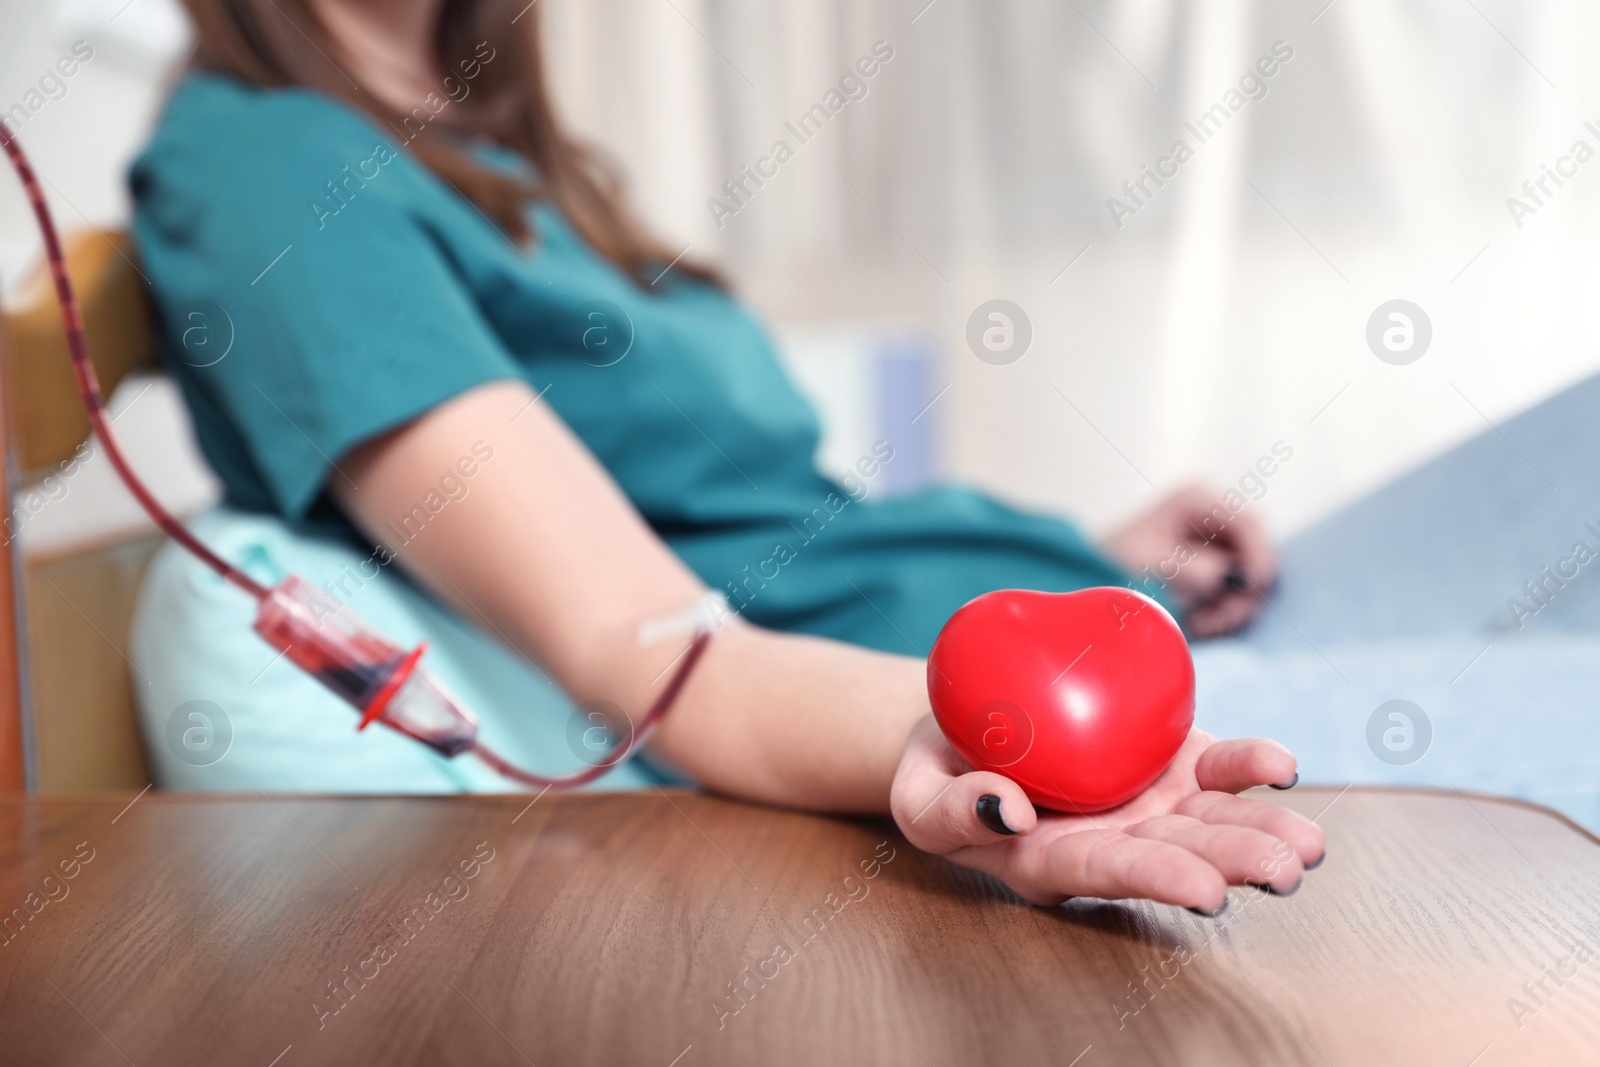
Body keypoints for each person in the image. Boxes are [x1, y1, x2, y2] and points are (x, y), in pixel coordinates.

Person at [130, 0, 1338, 916]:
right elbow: (646, 645)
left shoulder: (490, 150)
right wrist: (933, 737)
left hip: (1047, 613)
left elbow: (764, 506)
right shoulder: (274, 178)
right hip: (907, 686)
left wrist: (1080, 552)